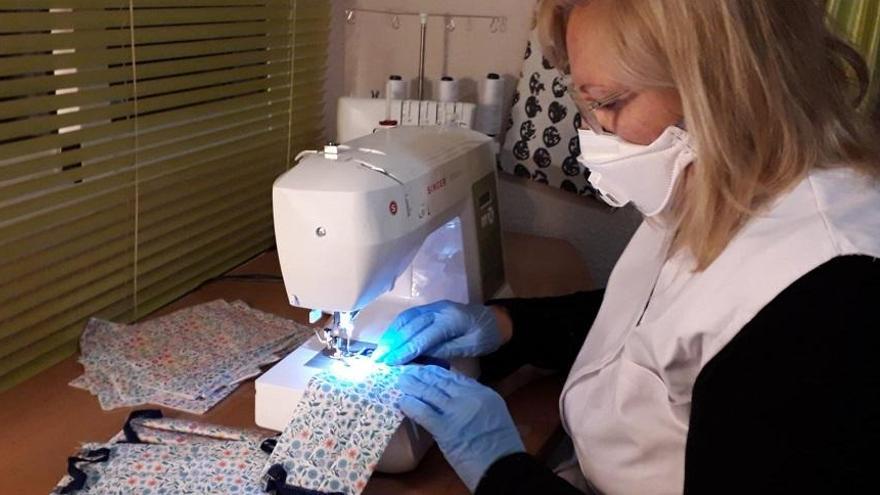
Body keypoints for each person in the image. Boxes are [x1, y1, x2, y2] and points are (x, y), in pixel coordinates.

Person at [372, 0, 880, 493]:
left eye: (610, 102)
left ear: (725, 86)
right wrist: (510, 326)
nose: (595, 131)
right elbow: (662, 321)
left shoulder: (829, 299)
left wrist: (502, 470)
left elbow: (740, 334)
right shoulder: (720, 181)